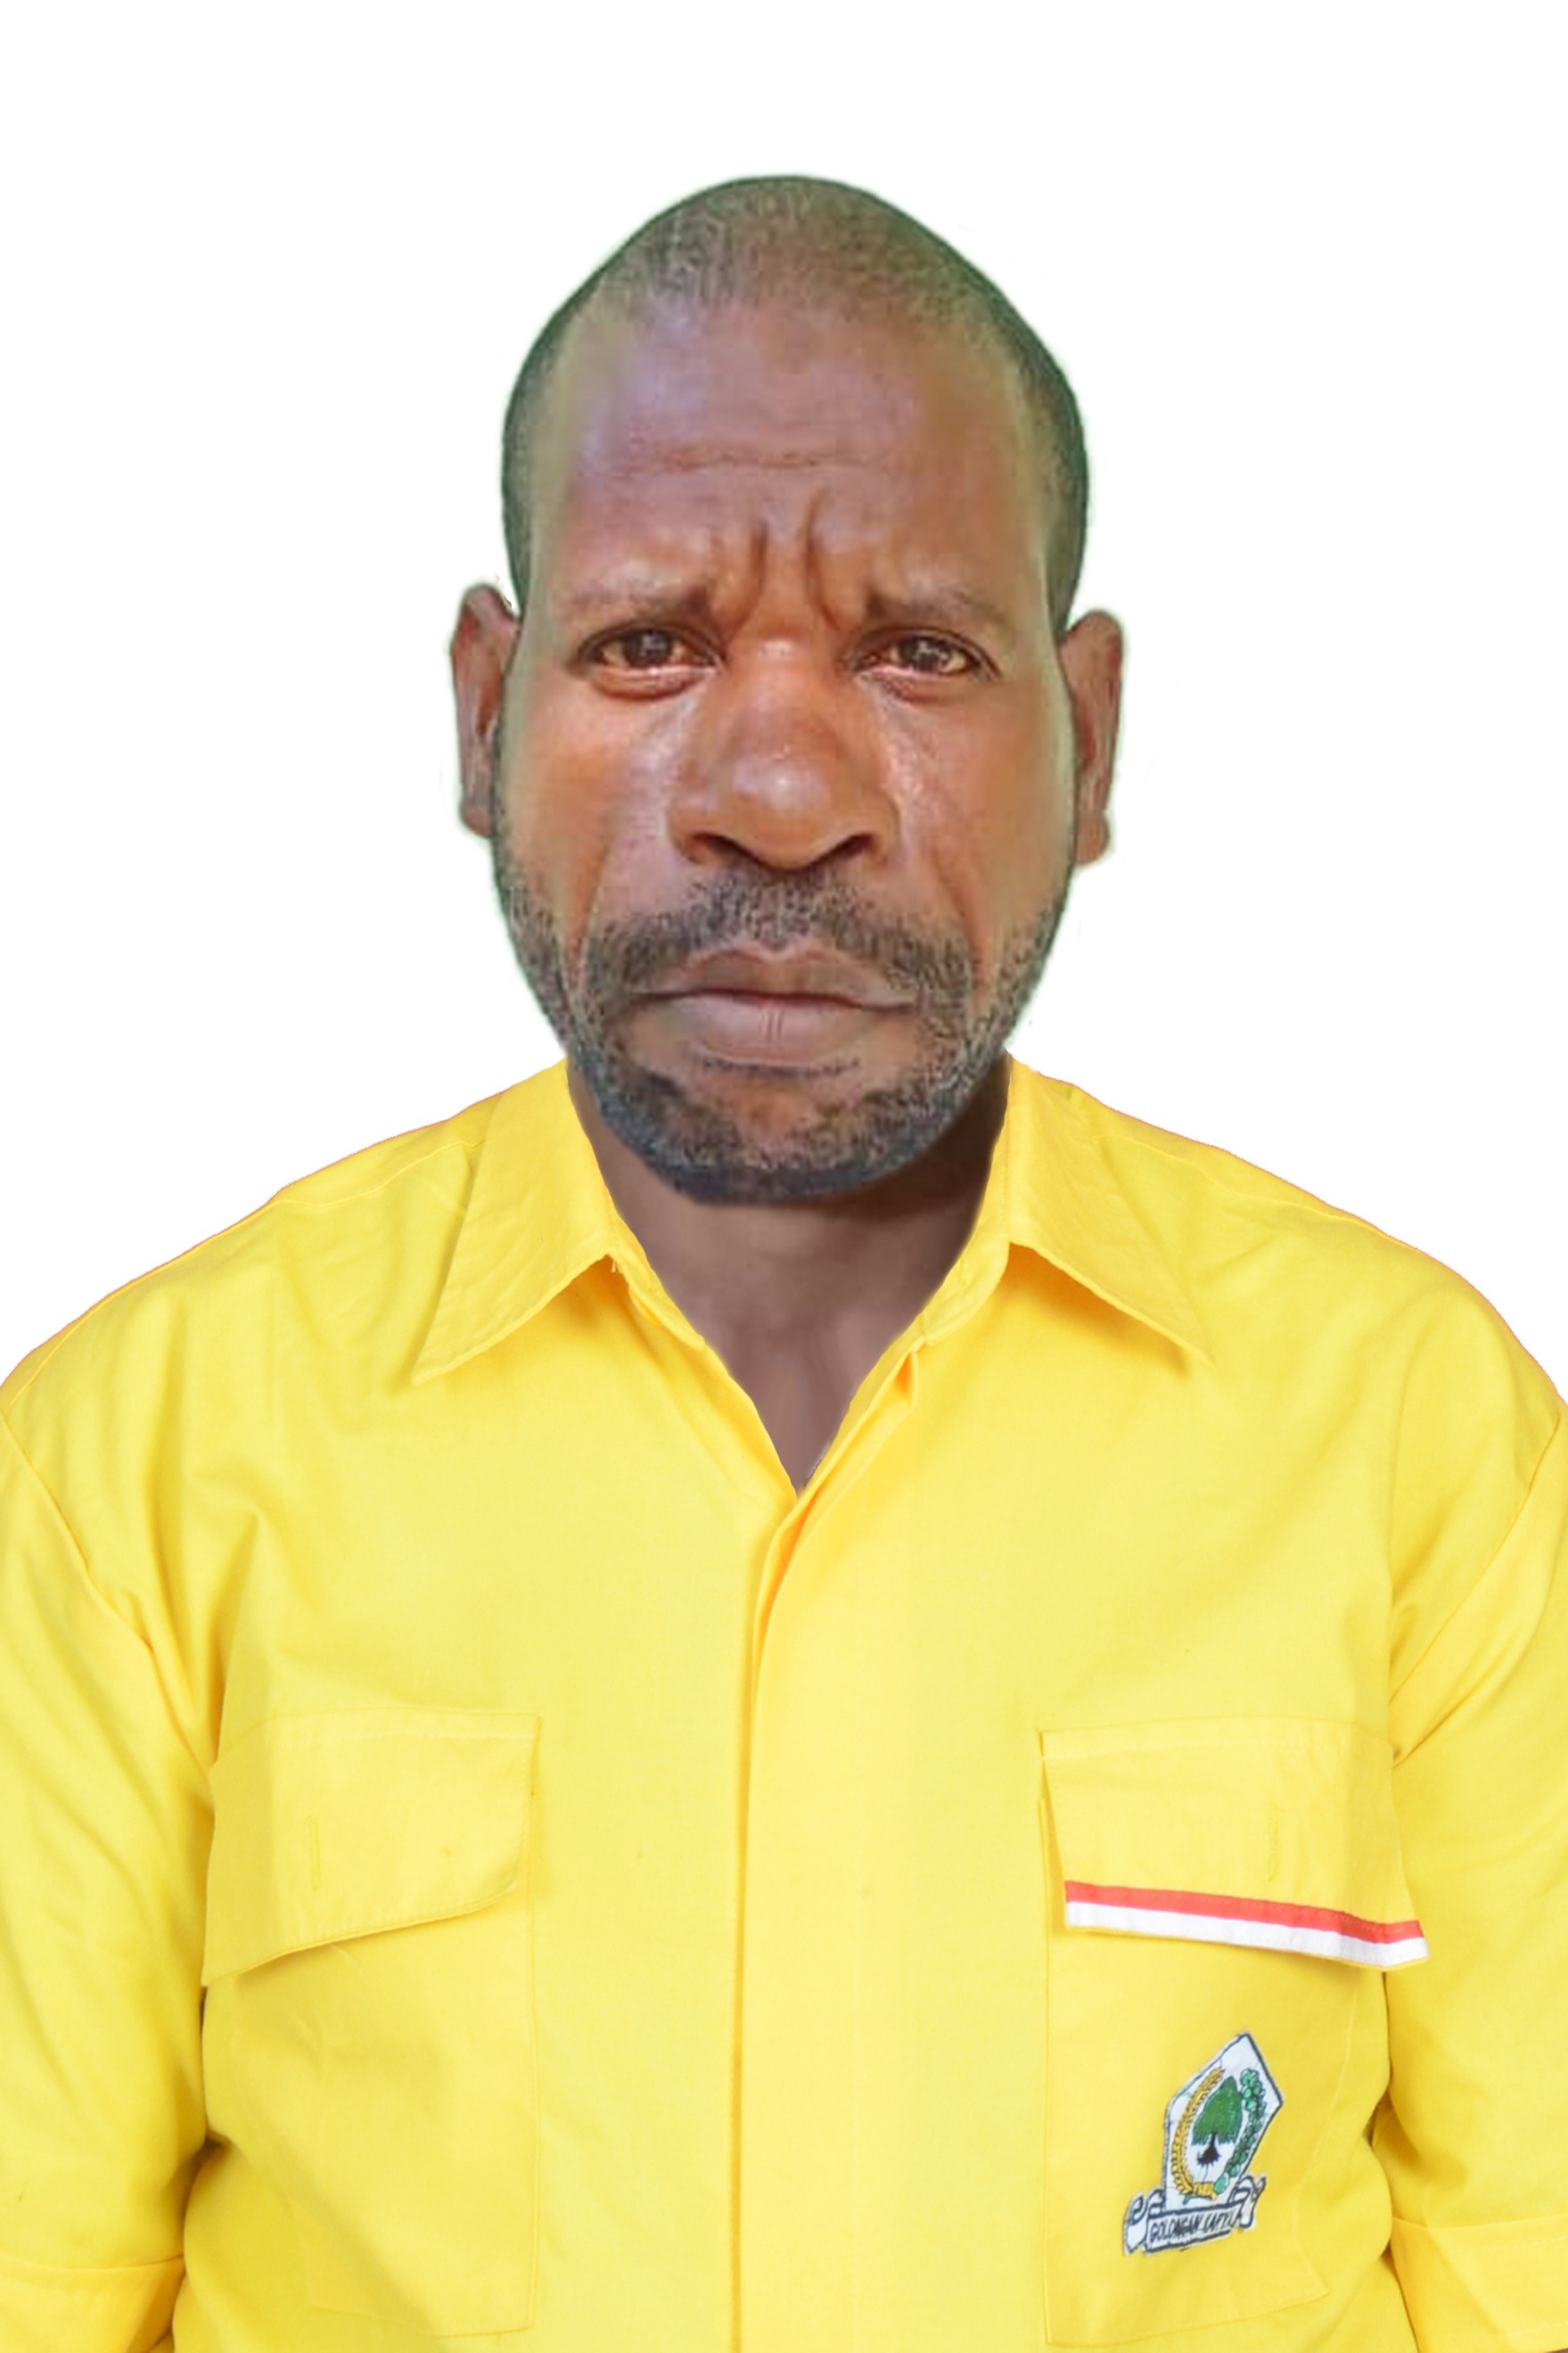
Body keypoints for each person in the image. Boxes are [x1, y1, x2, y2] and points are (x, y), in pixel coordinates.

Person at [1, 173, 1564, 2353]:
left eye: (918, 651)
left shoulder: (1420, 1443)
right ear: (481, 716)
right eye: (649, 643)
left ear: (1091, 743)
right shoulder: (124, 1469)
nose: (772, 791)